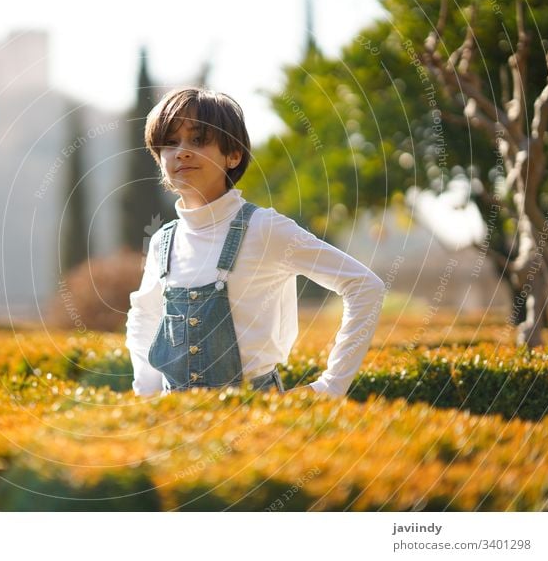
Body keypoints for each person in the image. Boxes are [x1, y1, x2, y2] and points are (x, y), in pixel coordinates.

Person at [125, 87, 385, 397]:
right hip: (178, 421)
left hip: (257, 418)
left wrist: (331, 386)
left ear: (233, 155)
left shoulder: (264, 229)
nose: (181, 151)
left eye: (198, 140)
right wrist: (148, 396)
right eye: (170, 142)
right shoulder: (162, 242)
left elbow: (364, 286)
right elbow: (144, 316)